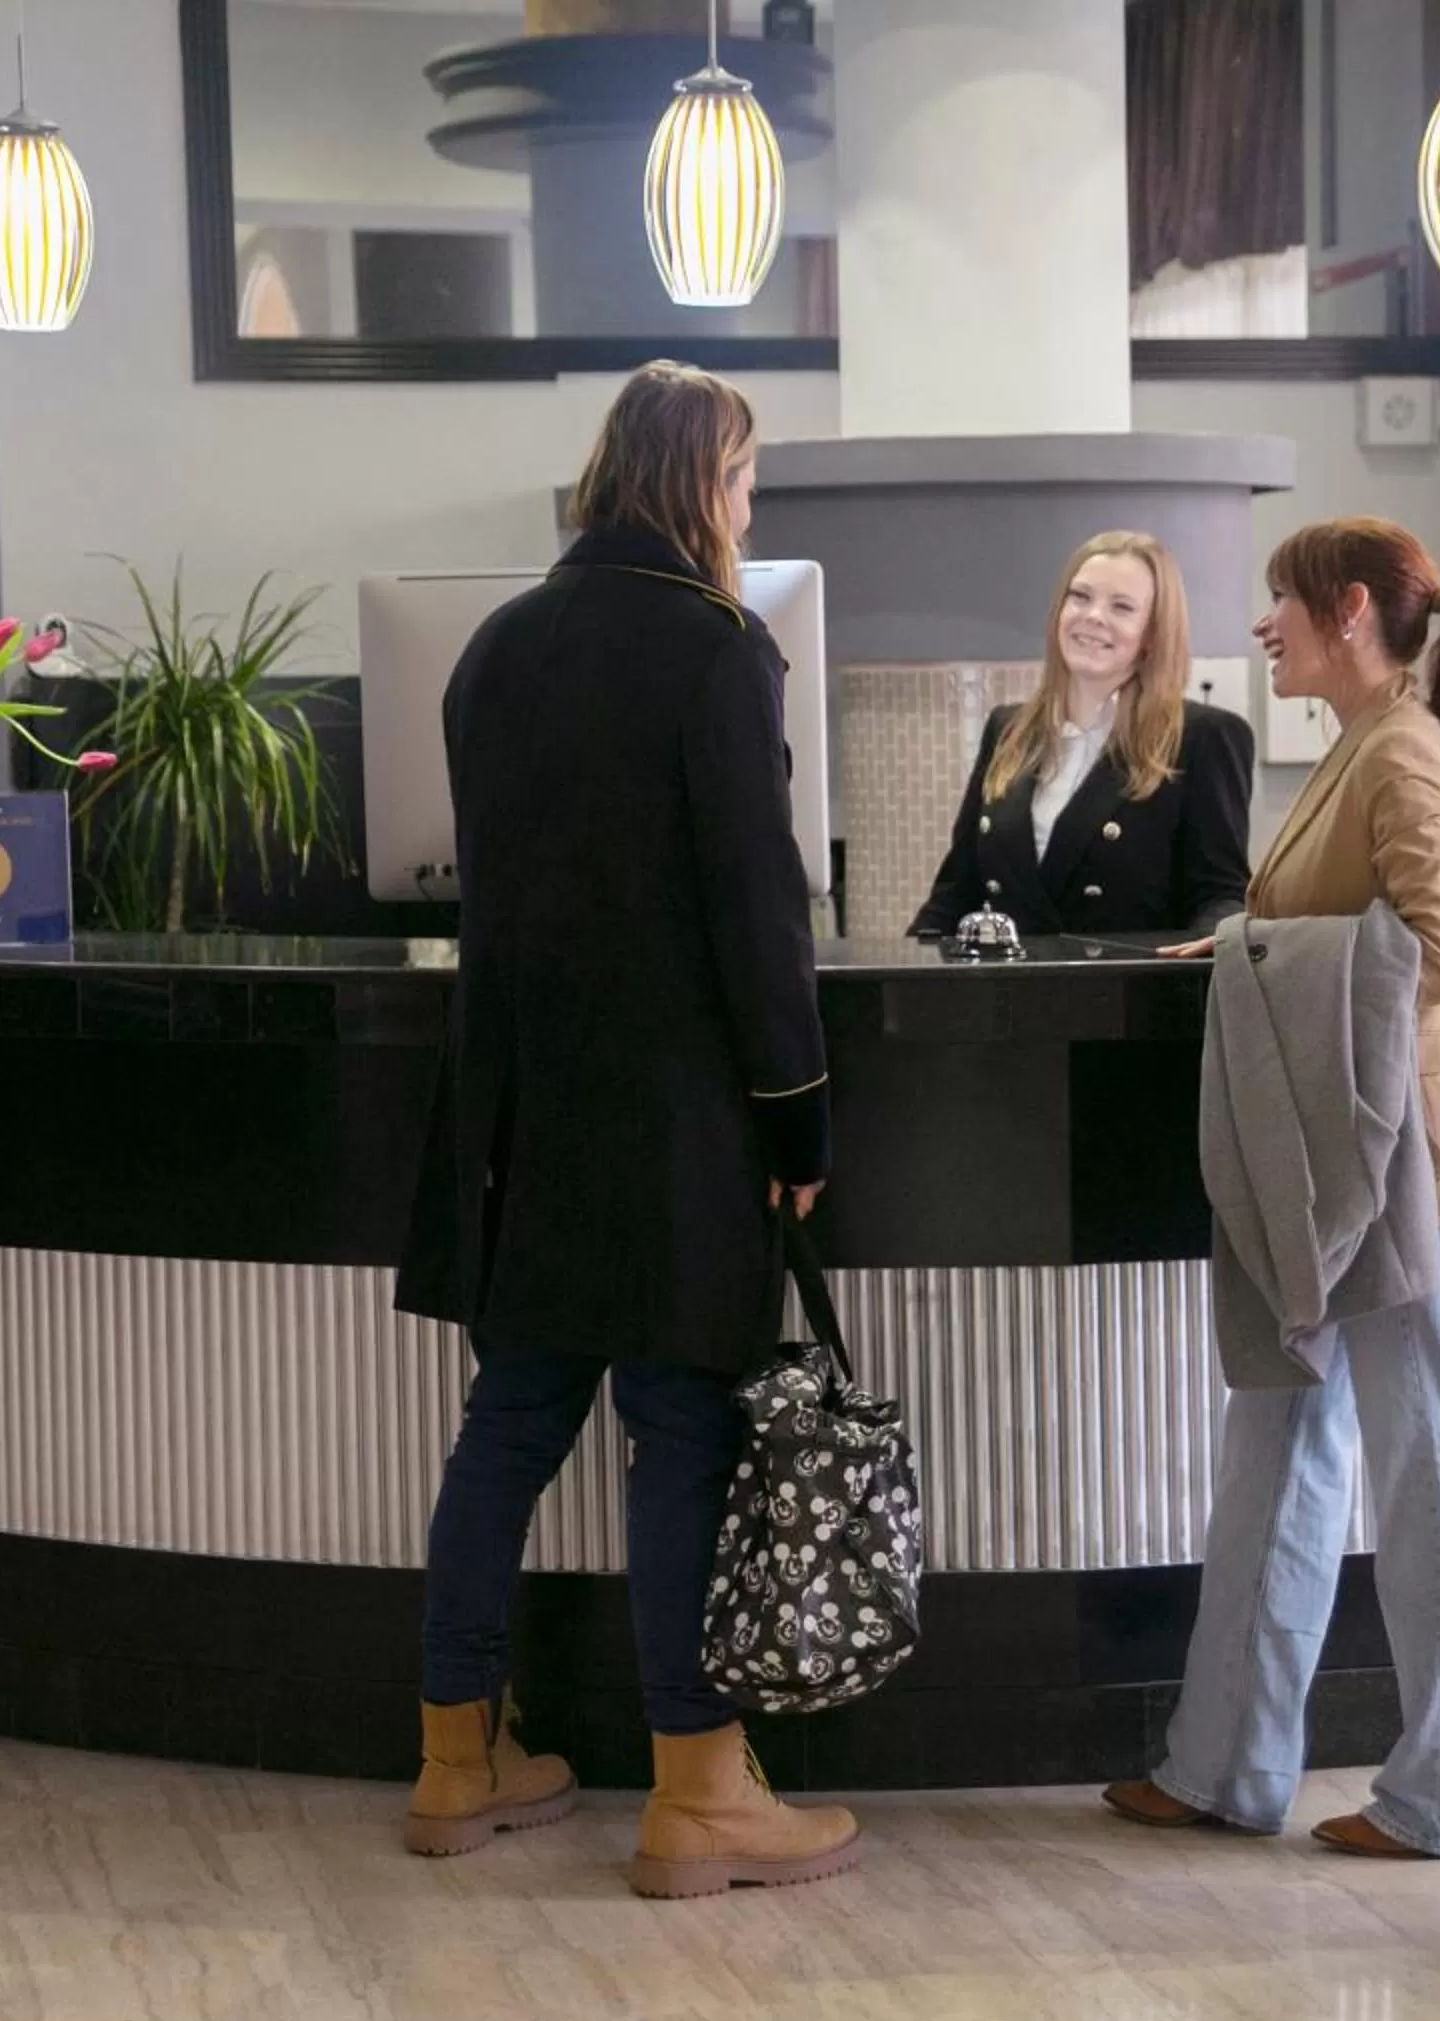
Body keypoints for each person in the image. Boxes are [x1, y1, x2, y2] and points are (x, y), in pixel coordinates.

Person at [392, 361, 862, 1900]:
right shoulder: (717, 648)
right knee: (683, 1432)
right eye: (745, 481)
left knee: (511, 1424)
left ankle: (456, 1759)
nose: (750, 511)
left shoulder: (493, 647)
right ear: (699, 483)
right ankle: (700, 1791)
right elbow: (756, 907)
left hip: (522, 1112)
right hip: (677, 1122)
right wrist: (798, 1121)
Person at [1107, 516, 1440, 1859]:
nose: (1262, 625)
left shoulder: (1402, 748)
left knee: (1429, 1471)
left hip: (1408, 1165)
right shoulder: (1363, 740)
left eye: (1279, 600)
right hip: (1345, 1157)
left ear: (1348, 610)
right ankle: (1224, 1764)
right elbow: (1354, 926)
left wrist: (1266, 956)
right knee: (1279, 1448)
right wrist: (1252, 941)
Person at [908, 531, 1253, 939]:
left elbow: (1219, 894)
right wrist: (902, 967)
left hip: (1131, 979)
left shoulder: (1204, 737)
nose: (1093, 616)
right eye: (1080, 597)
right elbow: (955, 892)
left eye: (1121, 606)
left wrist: (1205, 955)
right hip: (1010, 979)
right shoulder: (1007, 729)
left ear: (1153, 633)